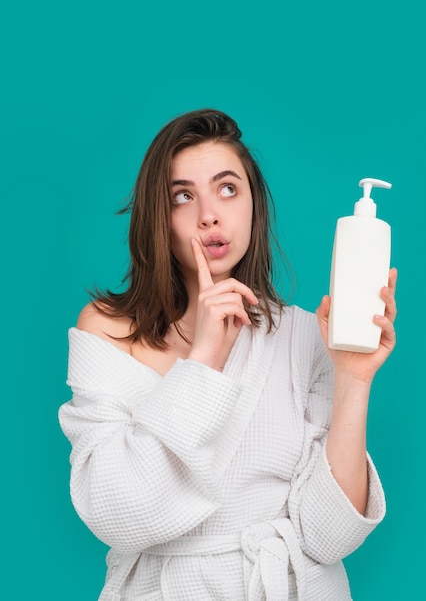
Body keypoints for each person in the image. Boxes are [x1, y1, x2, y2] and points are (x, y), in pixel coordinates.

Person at [59, 109, 397, 601]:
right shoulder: (109, 332)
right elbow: (116, 513)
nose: (209, 215)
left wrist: (353, 379)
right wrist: (203, 362)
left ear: (254, 205)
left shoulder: (305, 336)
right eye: (183, 196)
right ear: (159, 216)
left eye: (227, 188)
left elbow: (330, 537)